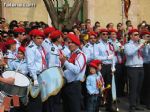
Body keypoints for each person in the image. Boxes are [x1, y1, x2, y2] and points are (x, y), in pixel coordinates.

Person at [60, 33, 86, 112]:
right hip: (67, 85)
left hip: (74, 86)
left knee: (74, 108)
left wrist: (65, 62)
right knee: (67, 108)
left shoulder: (80, 55)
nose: (69, 44)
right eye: (68, 42)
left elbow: (77, 70)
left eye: (71, 42)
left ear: (76, 44)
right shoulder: (70, 54)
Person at [124, 29, 145, 112]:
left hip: (140, 67)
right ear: (131, 36)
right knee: (133, 87)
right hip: (132, 68)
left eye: (137, 35)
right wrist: (139, 46)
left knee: (139, 87)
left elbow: (144, 55)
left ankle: (137, 104)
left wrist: (145, 47)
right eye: (135, 35)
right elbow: (129, 53)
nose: (137, 36)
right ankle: (132, 105)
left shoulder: (138, 44)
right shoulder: (128, 45)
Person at [25, 29, 46, 112]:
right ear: (33, 38)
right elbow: (30, 64)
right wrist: (35, 78)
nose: (40, 40)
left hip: (41, 74)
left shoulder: (40, 48)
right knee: (34, 99)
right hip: (34, 76)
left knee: (40, 99)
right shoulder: (31, 48)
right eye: (38, 38)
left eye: (42, 38)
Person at [43, 30, 63, 112]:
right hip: (54, 75)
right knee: (53, 98)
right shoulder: (53, 49)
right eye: (61, 36)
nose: (62, 38)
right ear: (58, 38)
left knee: (56, 98)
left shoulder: (57, 48)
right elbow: (51, 65)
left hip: (57, 74)